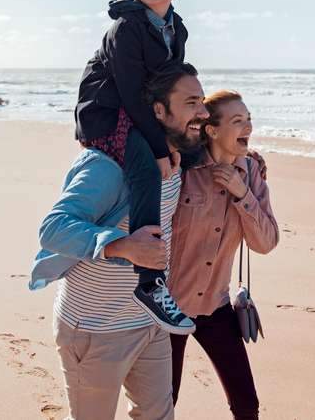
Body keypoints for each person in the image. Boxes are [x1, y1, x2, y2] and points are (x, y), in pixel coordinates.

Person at [31, 63, 208, 420]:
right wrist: (121, 245)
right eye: (191, 102)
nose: (202, 112)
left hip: (147, 322)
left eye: (202, 102)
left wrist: (248, 165)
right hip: (95, 329)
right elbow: (53, 228)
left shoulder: (175, 161)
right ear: (158, 110)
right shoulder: (107, 166)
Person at [73, 0, 194, 333]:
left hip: (141, 109)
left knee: (196, 149)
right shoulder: (127, 26)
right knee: (146, 168)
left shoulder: (178, 28)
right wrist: (160, 149)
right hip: (107, 113)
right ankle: (150, 283)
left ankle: (189, 254)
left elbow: (169, 87)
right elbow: (127, 91)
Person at [168, 90, 279, 420]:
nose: (248, 127)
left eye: (249, 120)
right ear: (212, 130)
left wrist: (241, 192)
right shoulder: (181, 170)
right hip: (168, 310)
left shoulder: (252, 172)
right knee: (161, 404)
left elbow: (266, 242)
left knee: (247, 405)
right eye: (237, 121)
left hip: (215, 307)